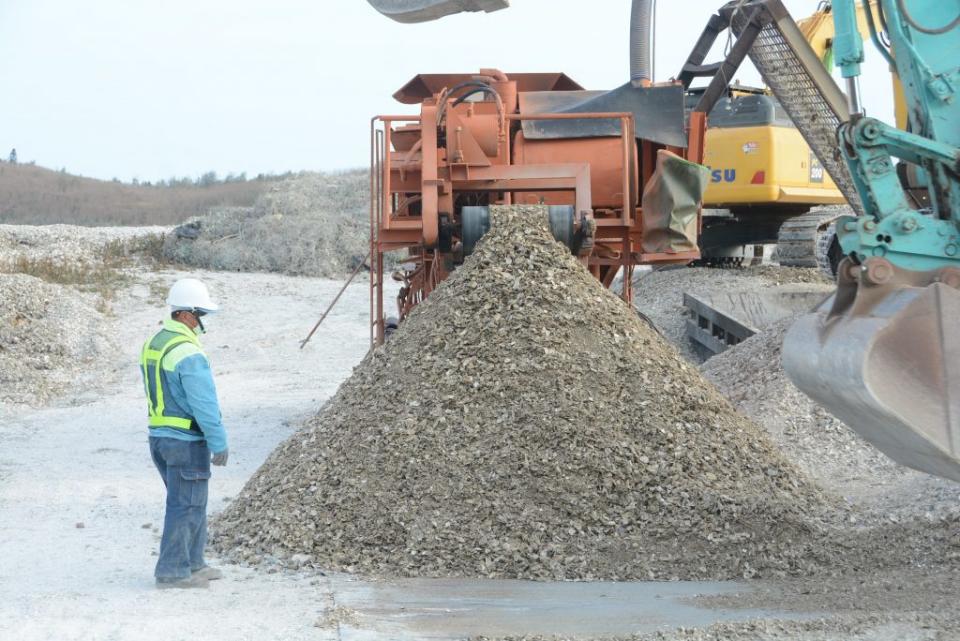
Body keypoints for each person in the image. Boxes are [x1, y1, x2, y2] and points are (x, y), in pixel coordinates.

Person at [141, 278, 229, 589]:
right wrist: (218, 441)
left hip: (160, 439)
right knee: (186, 504)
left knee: (192, 501)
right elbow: (204, 403)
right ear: (187, 314)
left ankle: (194, 563)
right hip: (186, 441)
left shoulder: (156, 342)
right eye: (200, 316)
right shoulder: (187, 351)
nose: (201, 323)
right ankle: (173, 571)